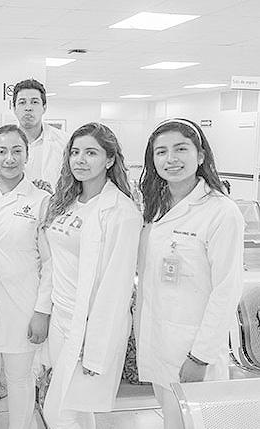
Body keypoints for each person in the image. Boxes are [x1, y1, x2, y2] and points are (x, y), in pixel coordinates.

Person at [136, 118, 244, 429]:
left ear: (200, 155)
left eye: (181, 149)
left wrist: (200, 356)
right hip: (158, 342)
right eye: (161, 152)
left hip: (193, 349)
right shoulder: (156, 207)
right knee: (172, 420)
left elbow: (227, 290)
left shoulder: (221, 211)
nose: (171, 159)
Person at [43, 123, 142, 429]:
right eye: (75, 152)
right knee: (77, 411)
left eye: (91, 153)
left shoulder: (121, 211)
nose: (80, 160)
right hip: (60, 319)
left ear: (110, 159)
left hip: (88, 326)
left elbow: (117, 288)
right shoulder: (67, 202)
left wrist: (96, 346)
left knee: (59, 413)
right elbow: (54, 262)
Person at [0, 125, 52, 429]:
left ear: (27, 155)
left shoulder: (41, 200)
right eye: (2, 151)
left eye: (17, 151)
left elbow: (50, 263)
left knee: (20, 379)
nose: (9, 158)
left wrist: (42, 311)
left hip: (23, 304)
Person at [13, 79, 68, 188]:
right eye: (22, 102)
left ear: (44, 107)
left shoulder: (64, 142)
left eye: (34, 102)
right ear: (14, 108)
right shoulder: (3, 143)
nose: (28, 108)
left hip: (53, 198)